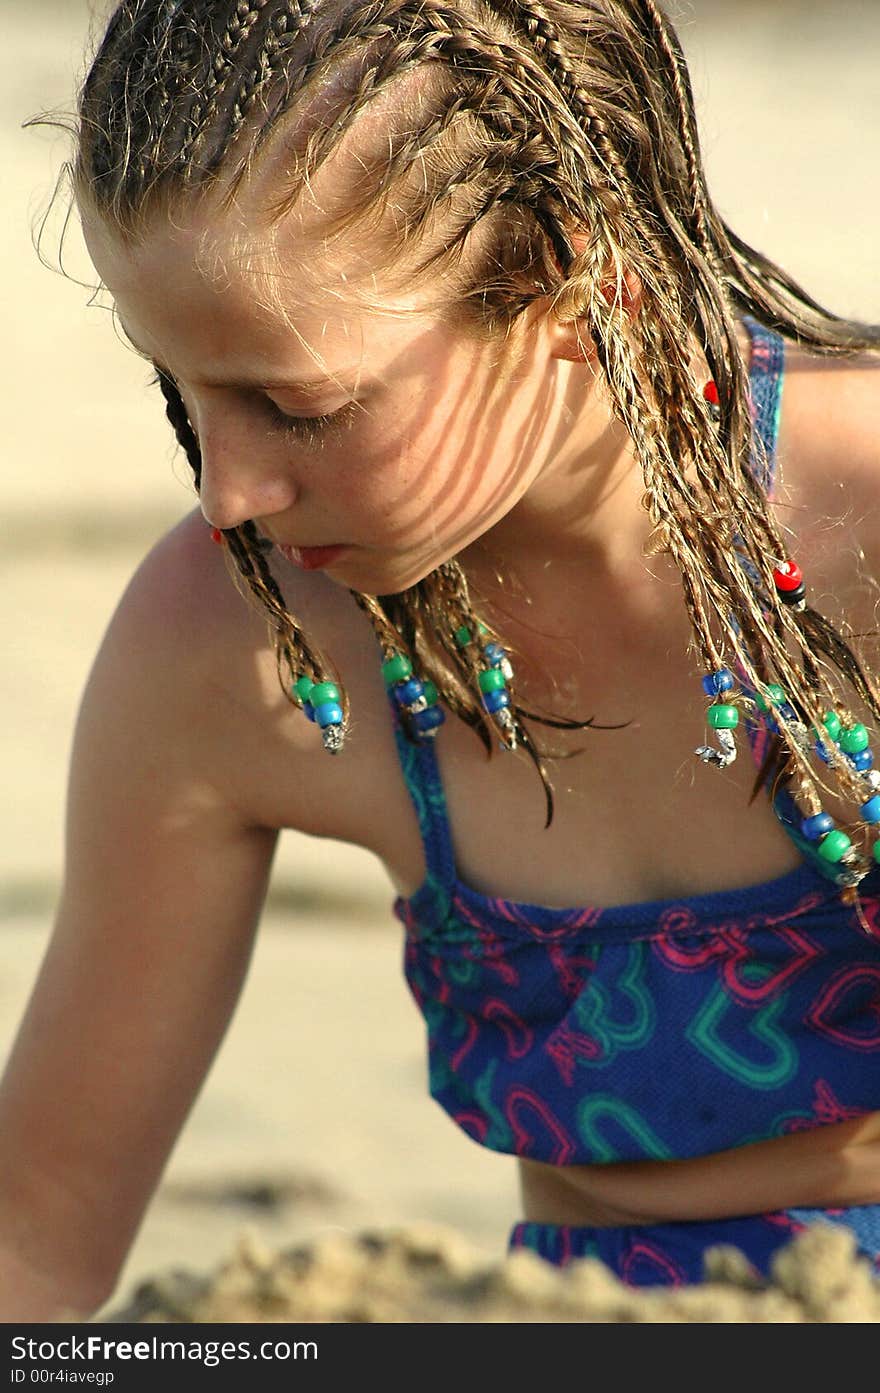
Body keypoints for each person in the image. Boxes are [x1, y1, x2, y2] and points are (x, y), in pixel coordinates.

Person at [2, 0, 880, 1318]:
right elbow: (35, 1241)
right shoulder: (233, 647)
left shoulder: (859, 523)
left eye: (296, 405)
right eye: (176, 387)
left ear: (564, 277)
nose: (229, 488)